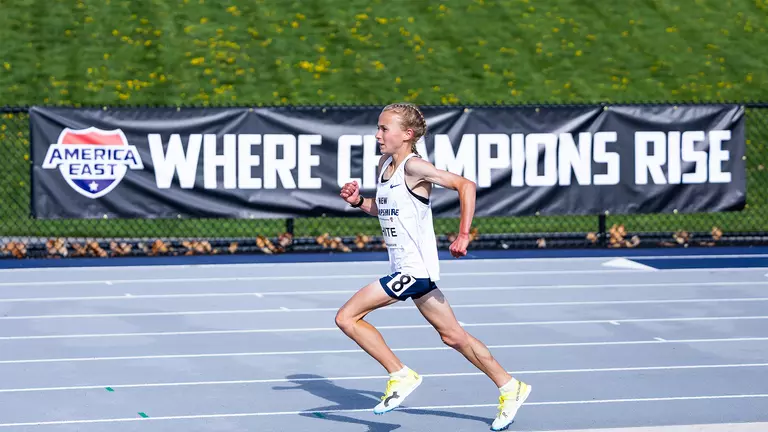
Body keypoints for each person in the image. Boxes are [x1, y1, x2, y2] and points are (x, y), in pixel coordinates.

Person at [336, 102, 531, 431]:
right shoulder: (385, 165)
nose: (377, 135)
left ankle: (400, 374)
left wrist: (463, 234)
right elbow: (385, 208)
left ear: (407, 134)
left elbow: (466, 185)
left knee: (347, 317)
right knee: (453, 337)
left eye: (384, 129)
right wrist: (358, 202)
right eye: (378, 128)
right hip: (408, 269)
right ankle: (510, 386)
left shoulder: (415, 167)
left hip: (412, 271)